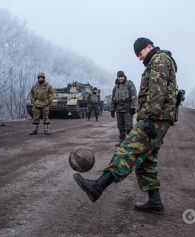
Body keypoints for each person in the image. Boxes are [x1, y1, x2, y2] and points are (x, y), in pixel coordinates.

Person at [73, 37, 177, 215]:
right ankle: (155, 201)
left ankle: (98, 186)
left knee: (128, 150)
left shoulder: (159, 59)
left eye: (140, 53)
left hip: (155, 119)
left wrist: (150, 118)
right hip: (159, 118)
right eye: (137, 55)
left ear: (148, 46)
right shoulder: (158, 61)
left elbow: (157, 92)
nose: (139, 57)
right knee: (146, 161)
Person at [110, 71, 137, 147]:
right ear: (117, 77)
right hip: (119, 110)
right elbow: (113, 98)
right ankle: (122, 141)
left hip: (127, 109)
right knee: (120, 127)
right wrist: (112, 109)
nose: (120, 78)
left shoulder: (129, 84)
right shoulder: (116, 87)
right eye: (119, 77)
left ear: (124, 76)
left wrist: (133, 107)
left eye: (121, 77)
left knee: (129, 127)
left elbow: (134, 96)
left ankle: (131, 142)